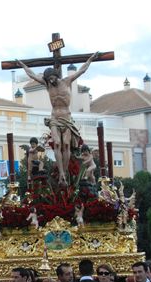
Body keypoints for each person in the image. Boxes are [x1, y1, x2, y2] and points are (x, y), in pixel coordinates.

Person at [18, 52, 100, 186]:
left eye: (52, 78)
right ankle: (61, 172)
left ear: (56, 75)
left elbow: (81, 70)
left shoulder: (67, 81)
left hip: (66, 118)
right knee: (57, 143)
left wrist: (90, 59)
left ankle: (64, 173)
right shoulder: (47, 85)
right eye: (48, 79)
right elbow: (32, 74)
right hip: (54, 118)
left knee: (66, 145)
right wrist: (22, 65)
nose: (51, 81)